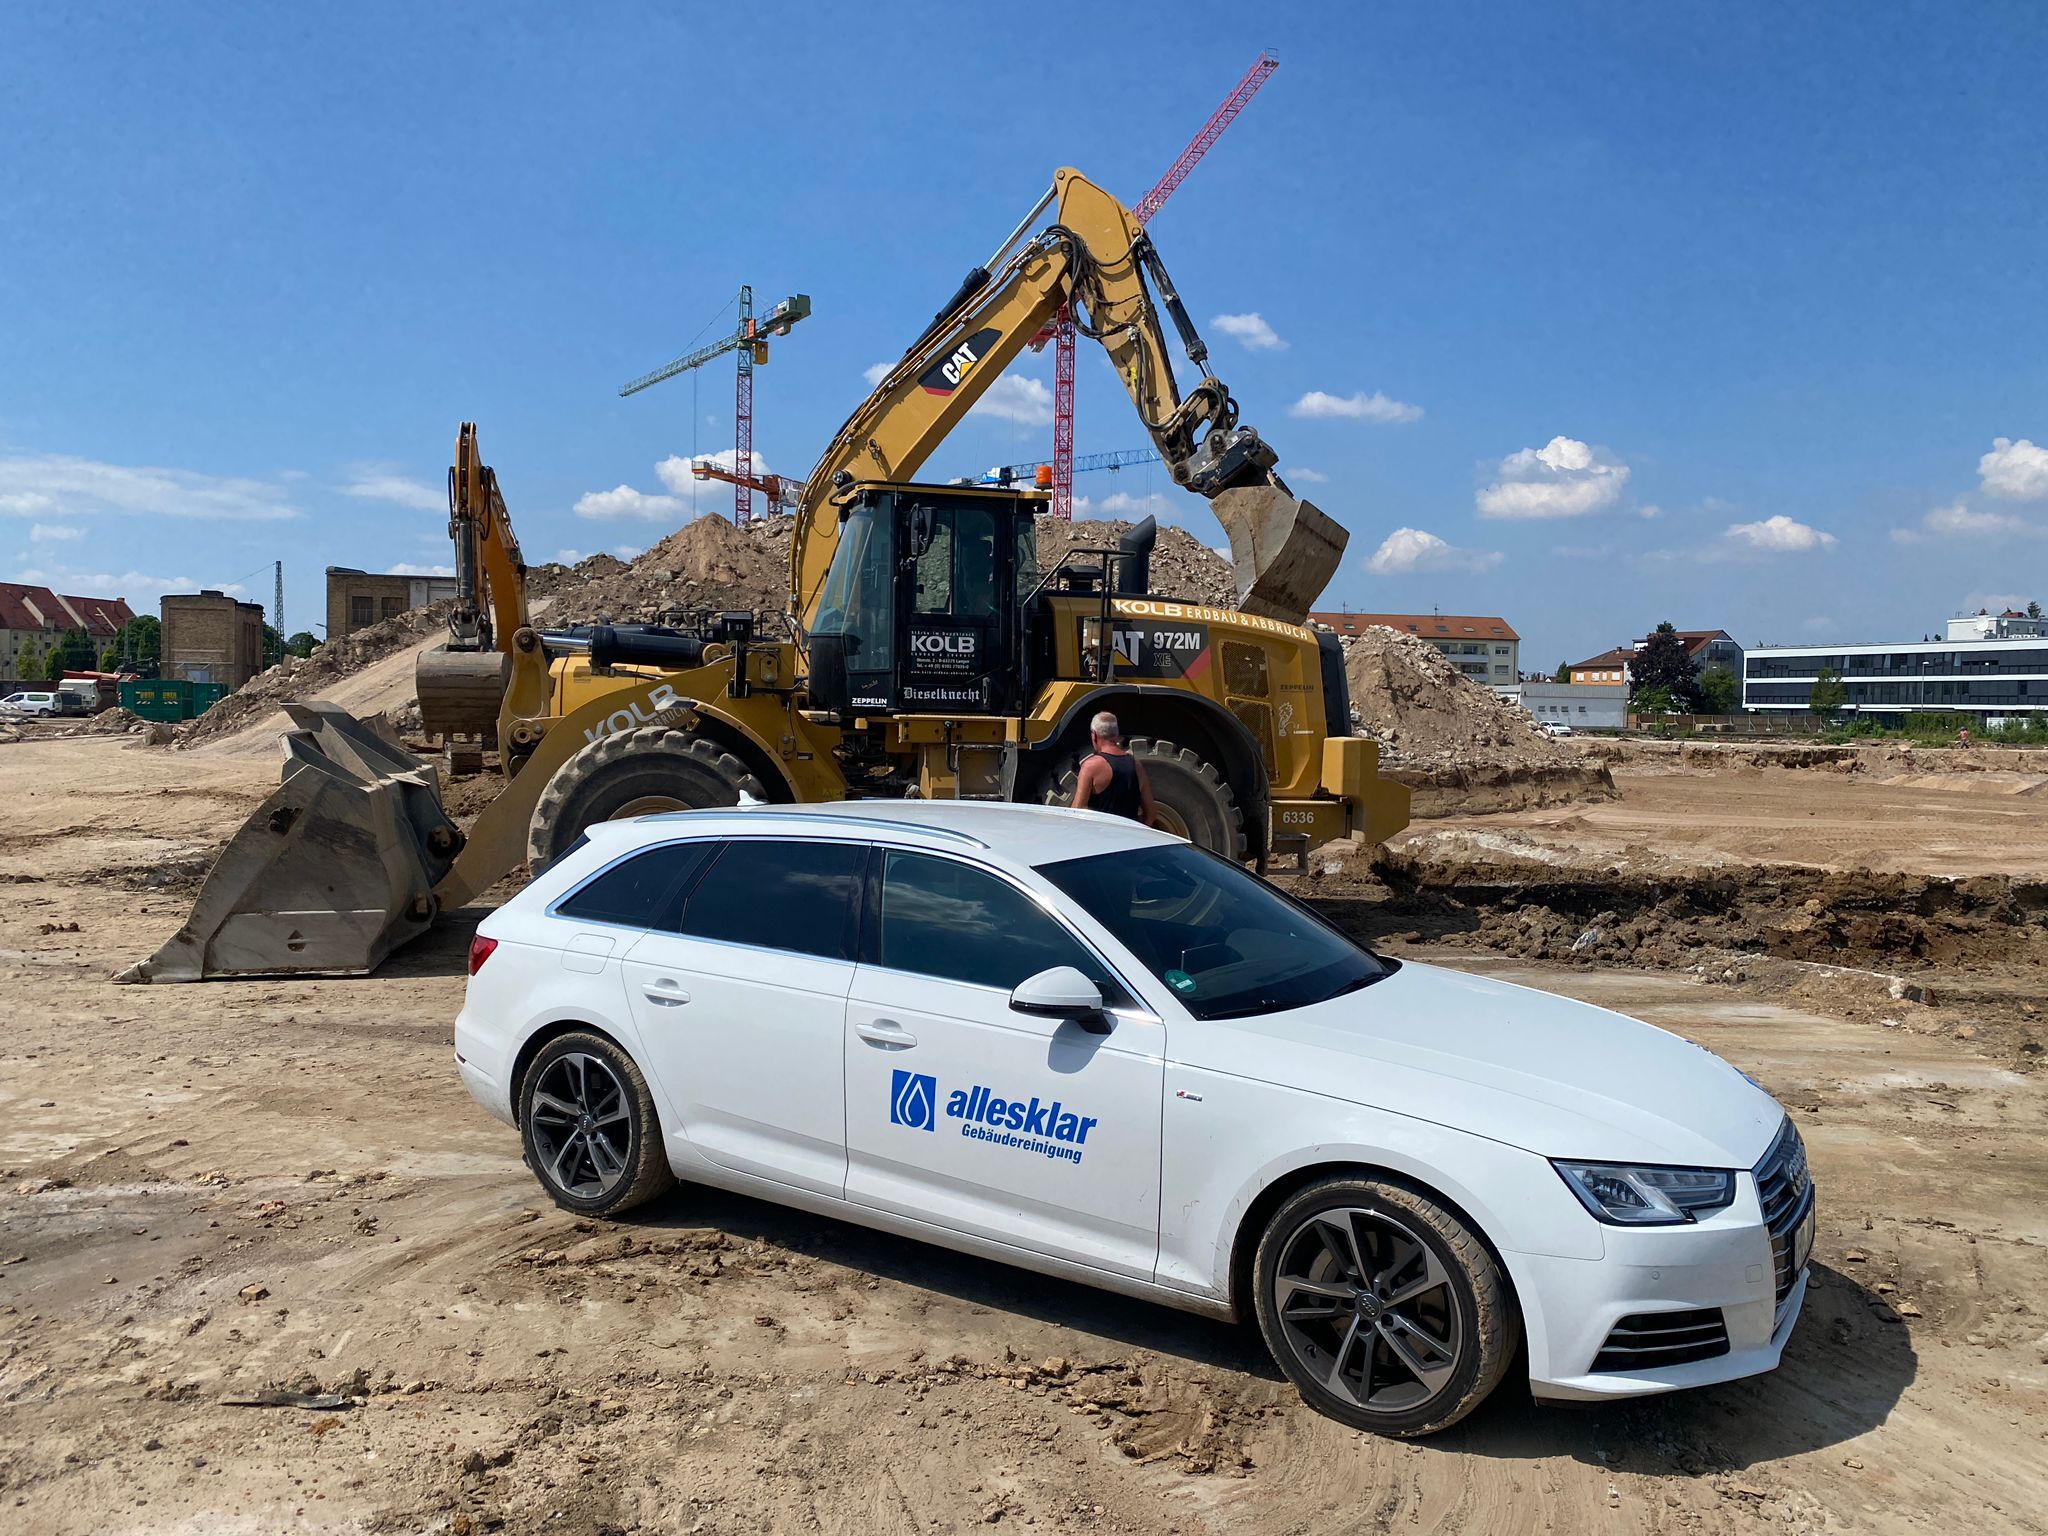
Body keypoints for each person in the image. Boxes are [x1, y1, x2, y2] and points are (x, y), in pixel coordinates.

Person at [1070, 711, 1157, 825]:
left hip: (1101, 839)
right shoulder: (1136, 765)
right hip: (1129, 839)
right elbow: (1151, 814)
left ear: (1094, 735)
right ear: (1116, 735)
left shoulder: (1091, 767)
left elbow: (1077, 812)